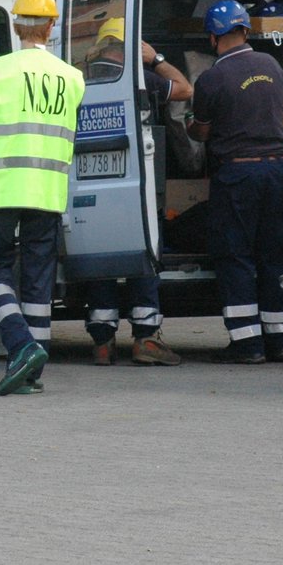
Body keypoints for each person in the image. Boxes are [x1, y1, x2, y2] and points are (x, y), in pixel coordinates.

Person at [0, 0, 85, 396]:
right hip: (48, 192)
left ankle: (20, 347)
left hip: (3, 188)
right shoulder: (73, 78)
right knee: (38, 279)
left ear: (16, 24)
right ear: (51, 26)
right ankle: (33, 369)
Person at [186, 0, 283, 363]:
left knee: (235, 255)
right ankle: (281, 339)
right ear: (245, 31)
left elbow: (201, 132)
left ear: (212, 37)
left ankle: (248, 343)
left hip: (237, 174)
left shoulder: (211, 78)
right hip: (276, 171)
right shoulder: (272, 65)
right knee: (275, 253)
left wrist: (190, 123)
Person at [82, 19, 192, 366]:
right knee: (143, 252)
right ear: (129, 48)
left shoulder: (78, 77)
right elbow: (185, 89)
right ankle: (145, 338)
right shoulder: (143, 77)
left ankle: (102, 341)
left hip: (92, 181)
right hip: (139, 180)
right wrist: (155, 58)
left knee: (100, 256)